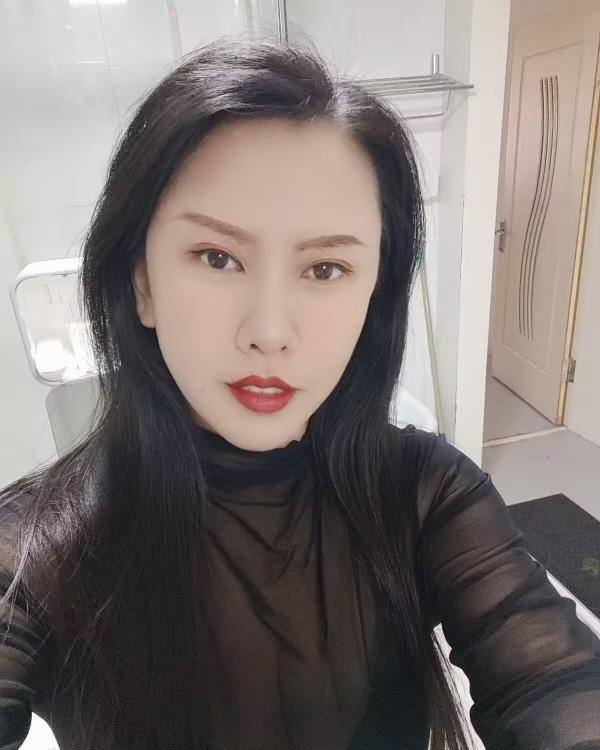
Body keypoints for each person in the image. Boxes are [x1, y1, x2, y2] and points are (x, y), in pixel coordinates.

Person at [1, 35, 599, 750]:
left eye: (325, 269)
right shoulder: (35, 551)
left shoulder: (426, 493)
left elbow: (556, 687)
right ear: (142, 284)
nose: (269, 332)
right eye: (217, 257)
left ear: (374, 294)